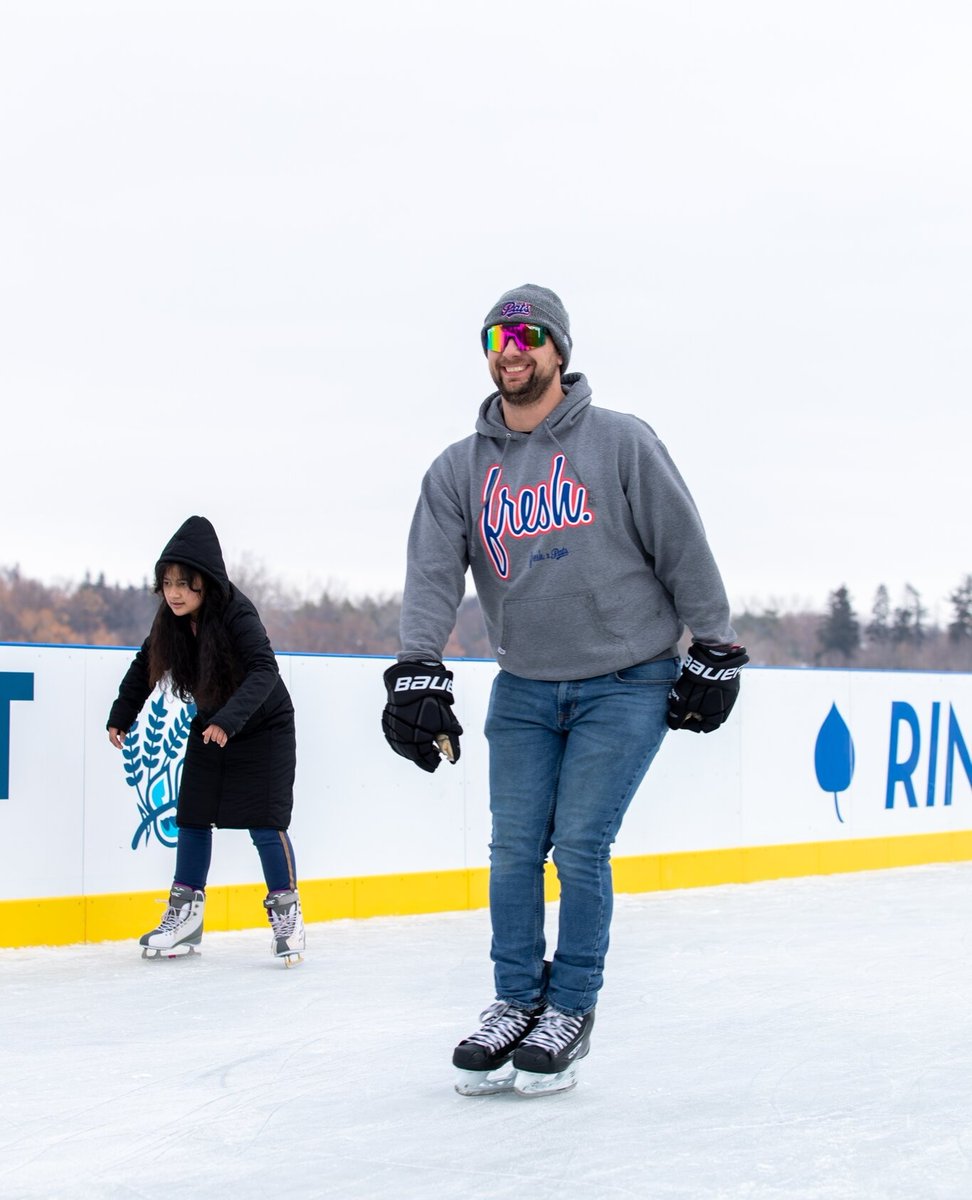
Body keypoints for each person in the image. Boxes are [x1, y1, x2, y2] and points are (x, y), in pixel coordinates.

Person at [381, 284, 747, 1097]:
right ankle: (516, 1001)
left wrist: (713, 644)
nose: (511, 349)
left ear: (559, 350)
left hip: (628, 678)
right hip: (524, 686)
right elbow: (432, 578)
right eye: (497, 338)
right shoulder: (457, 471)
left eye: (528, 334)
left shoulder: (619, 443)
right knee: (513, 851)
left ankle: (570, 1007)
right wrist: (416, 666)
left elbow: (682, 543)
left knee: (579, 844)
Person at [107, 515, 305, 966]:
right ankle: (185, 921)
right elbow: (144, 666)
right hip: (213, 724)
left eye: (185, 583)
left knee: (266, 821)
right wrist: (122, 715)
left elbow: (264, 670)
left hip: (264, 726)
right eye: (168, 582)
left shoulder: (236, 611)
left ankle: (287, 916)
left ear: (206, 583)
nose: (174, 593)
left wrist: (230, 721)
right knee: (193, 816)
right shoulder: (171, 619)